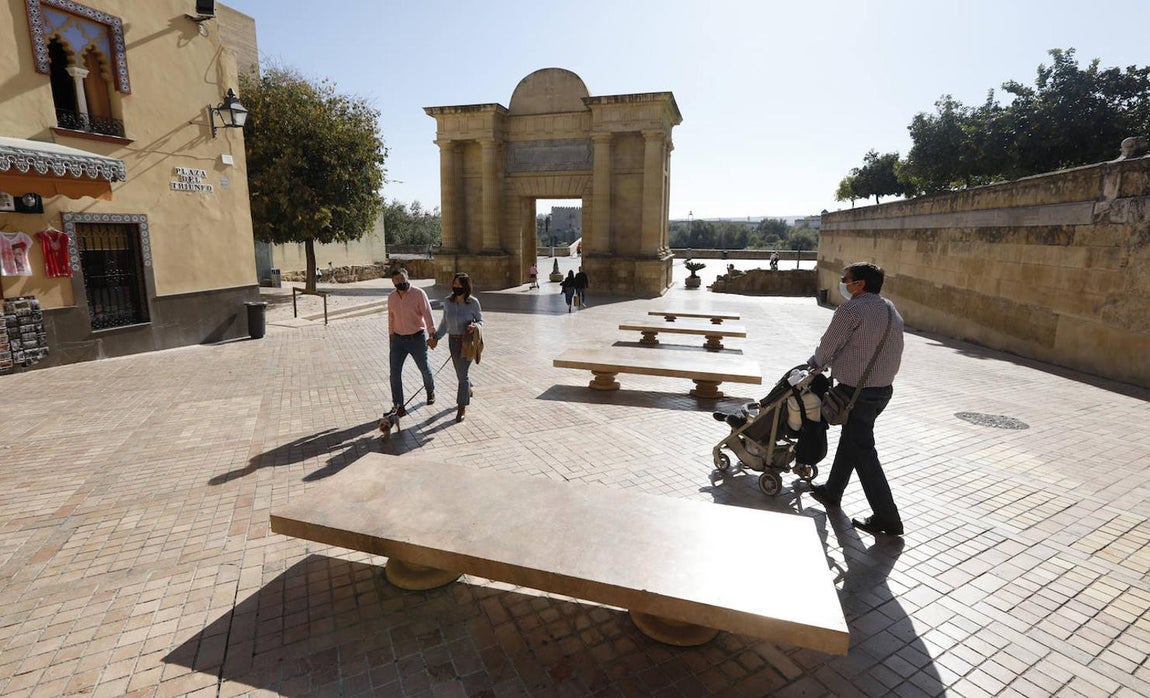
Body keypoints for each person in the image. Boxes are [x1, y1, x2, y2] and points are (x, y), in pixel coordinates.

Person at [806, 262, 906, 537]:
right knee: (853, 439)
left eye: (846, 280)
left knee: (863, 451)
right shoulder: (890, 308)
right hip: (881, 391)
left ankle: (888, 518)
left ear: (860, 284)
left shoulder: (851, 309)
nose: (843, 283)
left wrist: (813, 366)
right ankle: (832, 491)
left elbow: (829, 345)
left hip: (856, 393)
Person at [432, 273, 483, 422]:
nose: (457, 287)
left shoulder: (473, 302)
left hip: (467, 342)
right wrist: (435, 337)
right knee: (461, 374)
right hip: (452, 342)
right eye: (455, 284)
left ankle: (461, 407)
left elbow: (480, 320)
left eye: (460, 285)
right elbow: (444, 323)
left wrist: (475, 326)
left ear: (466, 286)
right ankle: (467, 388)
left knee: (462, 375)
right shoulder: (448, 302)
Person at [387, 268, 436, 416]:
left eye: (402, 278)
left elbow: (427, 313)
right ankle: (398, 405)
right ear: (393, 281)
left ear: (407, 277)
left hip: (417, 338)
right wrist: (391, 337)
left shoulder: (418, 293)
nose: (400, 282)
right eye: (396, 280)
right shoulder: (391, 297)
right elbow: (391, 317)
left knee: (424, 369)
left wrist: (432, 333)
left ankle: (430, 390)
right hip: (398, 340)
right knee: (394, 373)